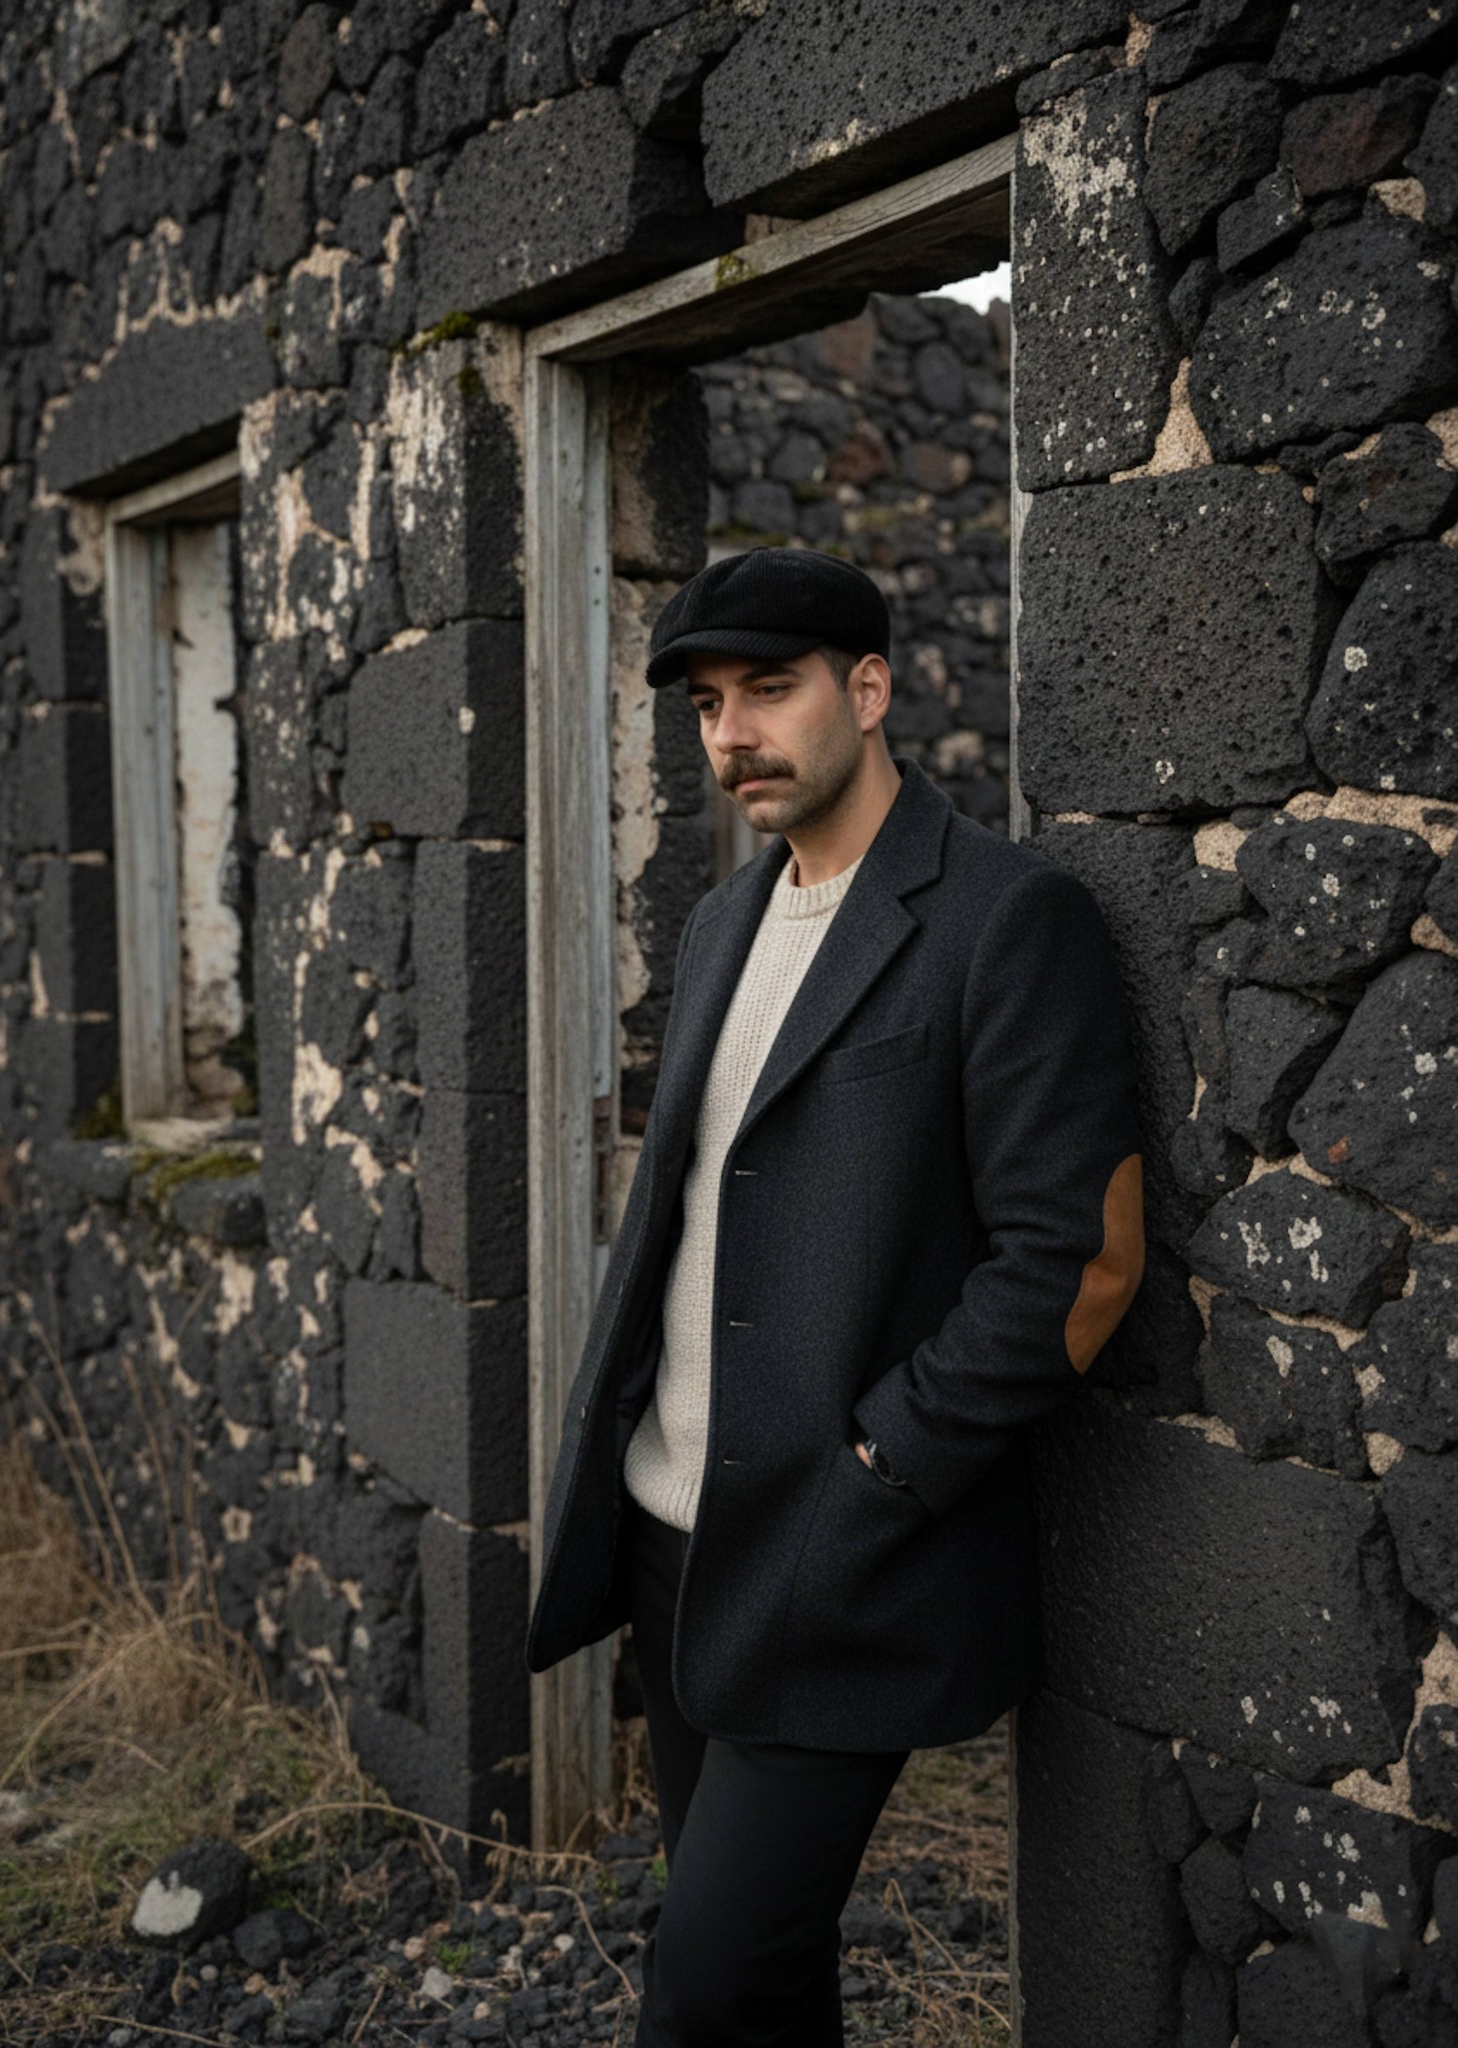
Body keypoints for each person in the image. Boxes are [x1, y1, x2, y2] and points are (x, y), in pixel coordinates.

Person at [526, 546, 1146, 2046]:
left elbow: (1082, 1258)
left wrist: (881, 1463)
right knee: (768, 1979)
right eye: (706, 706)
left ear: (868, 691)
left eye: (770, 690)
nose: (734, 734)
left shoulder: (1005, 915)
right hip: (675, 1533)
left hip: (837, 1544)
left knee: (703, 1987)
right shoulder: (720, 927)